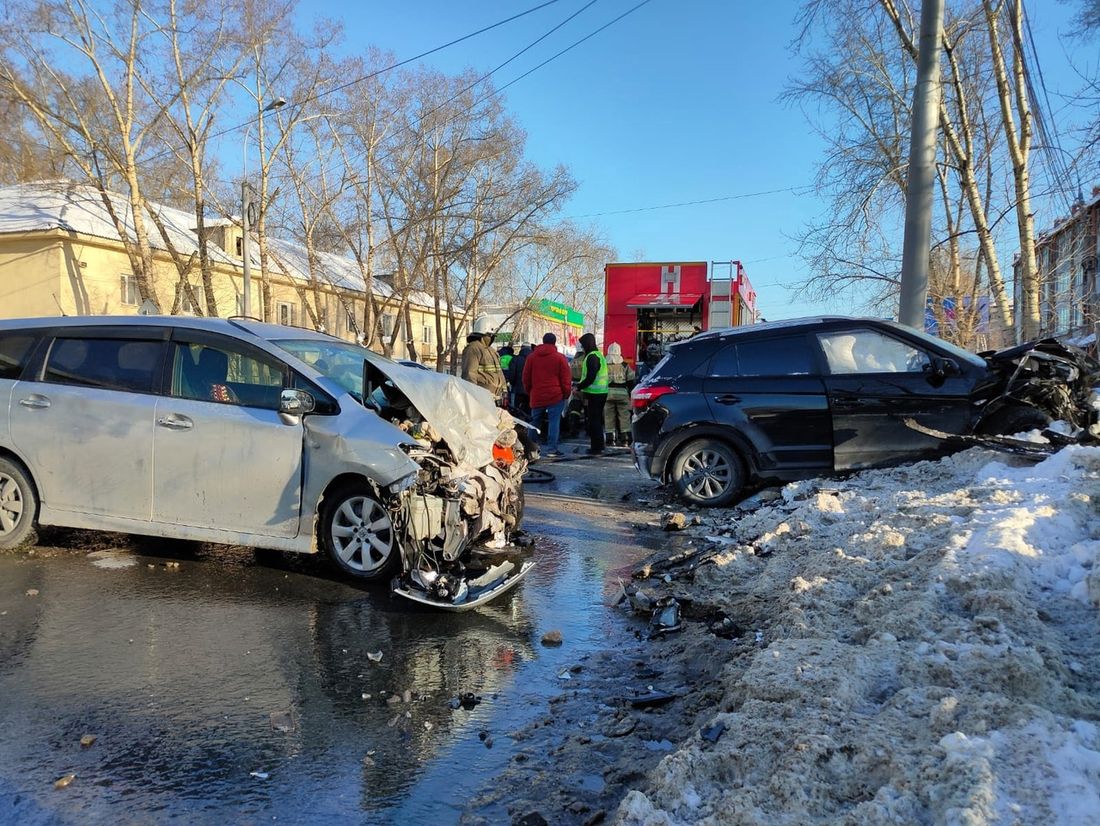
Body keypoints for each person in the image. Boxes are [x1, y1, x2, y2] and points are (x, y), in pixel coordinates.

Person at [523, 333, 571, 457]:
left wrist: (530, 391)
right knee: (554, 422)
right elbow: (565, 378)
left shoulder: (532, 357)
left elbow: (526, 378)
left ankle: (530, 448)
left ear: (542, 341)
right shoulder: (560, 358)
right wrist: (566, 394)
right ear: (554, 342)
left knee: (534, 422)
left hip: (537, 395)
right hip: (556, 395)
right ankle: (552, 449)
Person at [575, 332, 608, 455]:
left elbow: (590, 377)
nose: (582, 347)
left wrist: (578, 387)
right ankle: (599, 445)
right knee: (597, 420)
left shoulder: (591, 357)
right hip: (601, 392)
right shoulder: (599, 355)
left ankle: (596, 447)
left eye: (583, 344)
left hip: (595, 393)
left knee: (594, 421)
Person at [603, 342, 635, 447]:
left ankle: (610, 439)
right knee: (624, 416)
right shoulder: (625, 365)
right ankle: (625, 439)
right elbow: (631, 381)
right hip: (622, 394)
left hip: (608, 394)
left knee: (608, 417)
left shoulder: (604, 364)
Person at [460, 332, 506, 400]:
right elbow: (469, 374)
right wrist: (474, 395)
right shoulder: (473, 349)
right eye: (490, 336)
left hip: (496, 396)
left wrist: (504, 389)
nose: (492, 339)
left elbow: (499, 372)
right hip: (482, 396)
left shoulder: (491, 350)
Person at [508, 343, 532, 417]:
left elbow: (511, 375)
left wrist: (513, 384)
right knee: (529, 411)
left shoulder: (515, 359)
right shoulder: (534, 359)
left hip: (517, 390)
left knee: (516, 410)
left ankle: (518, 426)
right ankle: (528, 426)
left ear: (521, 348)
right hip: (530, 391)